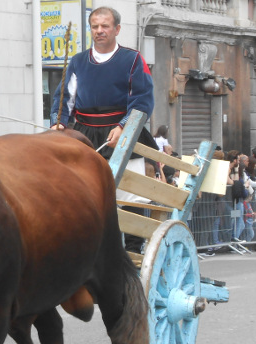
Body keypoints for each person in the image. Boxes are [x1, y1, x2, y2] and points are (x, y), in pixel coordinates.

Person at [50, 6, 155, 253]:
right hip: (85, 133)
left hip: (124, 130)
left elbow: (142, 100)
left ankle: (133, 250)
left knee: (130, 194)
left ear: (116, 29)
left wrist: (123, 128)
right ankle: (91, 249)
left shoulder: (132, 59)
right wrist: (59, 122)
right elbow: (64, 99)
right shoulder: (77, 61)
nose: (99, 31)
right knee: (84, 192)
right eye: (95, 26)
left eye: (105, 26)